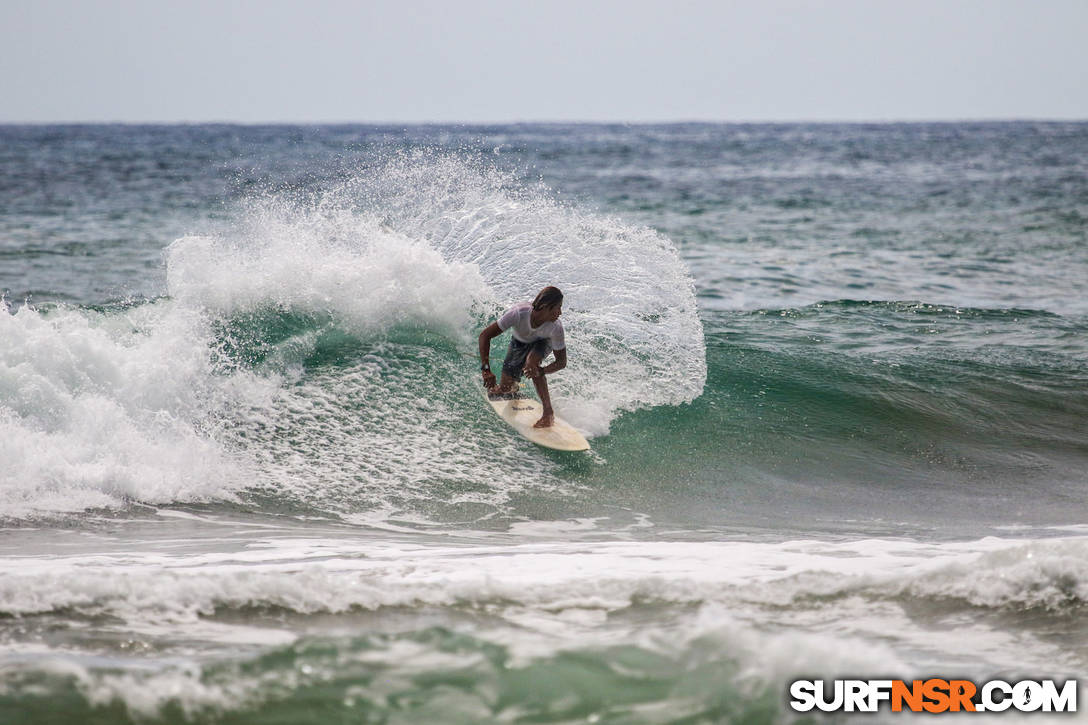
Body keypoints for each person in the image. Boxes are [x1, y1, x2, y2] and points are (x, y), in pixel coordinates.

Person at [478, 286, 567, 428]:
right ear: (544, 307)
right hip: (520, 341)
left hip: (544, 342)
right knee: (506, 389)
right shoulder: (518, 314)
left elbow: (561, 362)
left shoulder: (555, 327)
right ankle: (511, 387)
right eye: (557, 308)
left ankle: (548, 413)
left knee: (532, 364)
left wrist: (541, 371)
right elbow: (485, 336)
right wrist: (486, 370)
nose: (560, 313)